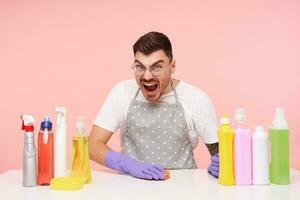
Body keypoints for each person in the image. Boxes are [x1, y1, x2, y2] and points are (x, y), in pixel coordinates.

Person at [88, 31, 219, 180]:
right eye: (140, 67)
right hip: (131, 184)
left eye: (156, 67)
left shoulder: (196, 99)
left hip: (183, 187)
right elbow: (91, 146)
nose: (147, 76)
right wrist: (127, 164)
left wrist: (222, 165)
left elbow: (222, 155)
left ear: (173, 65)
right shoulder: (122, 92)